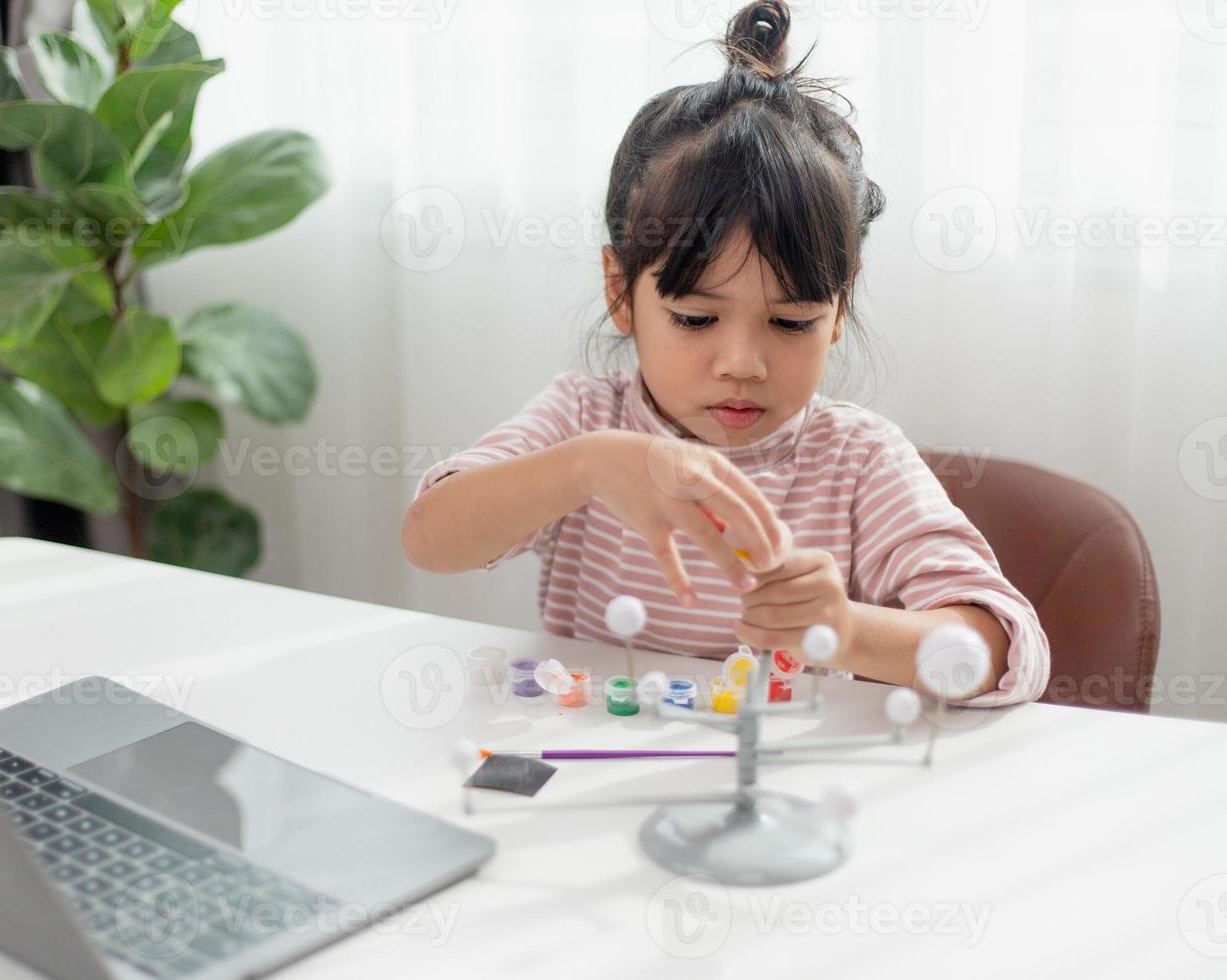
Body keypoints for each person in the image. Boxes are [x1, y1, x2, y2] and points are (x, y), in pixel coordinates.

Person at [401, 0, 1048, 707]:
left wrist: (847, 630)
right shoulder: (585, 421)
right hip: (601, 776)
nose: (743, 362)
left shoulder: (856, 460)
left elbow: (1004, 648)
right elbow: (430, 539)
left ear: (839, 309)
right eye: (696, 316)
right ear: (621, 290)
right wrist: (586, 466)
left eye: (793, 322)